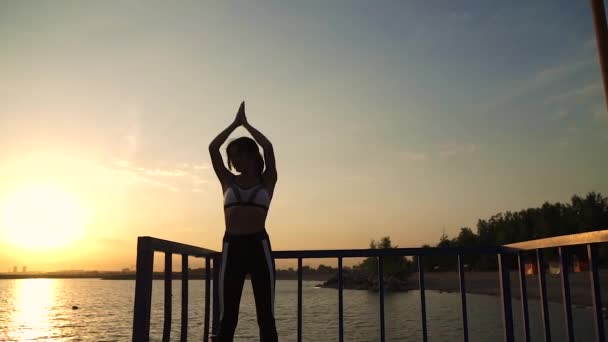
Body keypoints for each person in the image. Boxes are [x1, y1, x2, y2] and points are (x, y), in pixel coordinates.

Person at [208, 101, 279, 342]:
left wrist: (246, 125)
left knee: (266, 316)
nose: (234, 162)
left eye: (238, 155)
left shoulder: (267, 180)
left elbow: (268, 147)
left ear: (251, 155)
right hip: (232, 247)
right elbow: (212, 148)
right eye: (231, 157)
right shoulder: (227, 181)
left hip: (259, 246)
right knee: (228, 316)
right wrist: (234, 124)